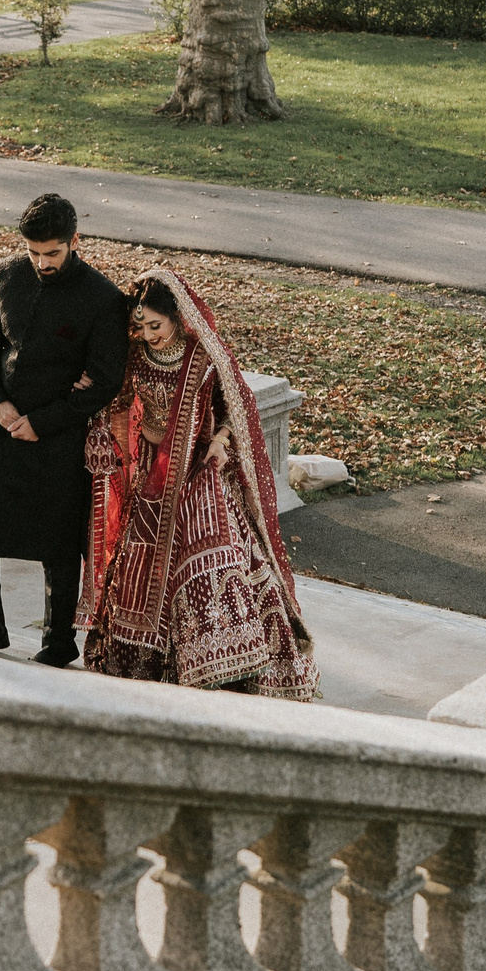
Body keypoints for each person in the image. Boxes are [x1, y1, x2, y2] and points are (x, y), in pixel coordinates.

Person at [77, 269, 319, 701]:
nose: (148, 333)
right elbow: (116, 397)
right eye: (141, 325)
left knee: (210, 558)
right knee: (140, 563)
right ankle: (147, 665)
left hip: (199, 470)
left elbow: (233, 412)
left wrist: (222, 443)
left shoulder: (203, 358)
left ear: (177, 317)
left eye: (156, 324)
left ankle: (225, 661)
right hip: (150, 473)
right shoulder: (133, 355)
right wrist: (95, 406)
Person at [0, 193, 130, 665]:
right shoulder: (8, 273)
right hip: (1, 423)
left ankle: (58, 642)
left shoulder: (103, 299)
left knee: (60, 542)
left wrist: (44, 423)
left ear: (75, 241)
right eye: (34, 252)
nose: (42, 262)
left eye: (52, 252)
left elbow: (106, 381)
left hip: (60, 432)